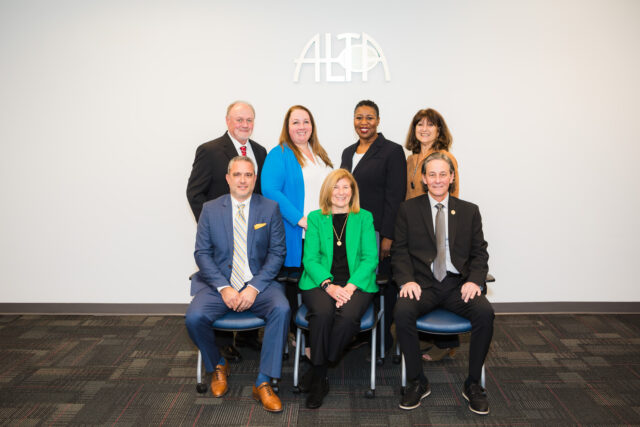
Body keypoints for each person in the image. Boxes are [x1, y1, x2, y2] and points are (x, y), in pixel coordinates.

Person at [185, 156, 290, 413]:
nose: (243, 180)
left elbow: (278, 253)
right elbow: (202, 253)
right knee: (194, 317)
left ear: (255, 179)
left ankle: (264, 380)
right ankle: (217, 365)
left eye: (248, 175)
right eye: (238, 174)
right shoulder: (210, 209)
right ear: (228, 178)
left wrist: (254, 287)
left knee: (282, 309)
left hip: (259, 285)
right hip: (219, 285)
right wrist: (224, 287)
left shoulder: (269, 208)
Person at [392, 152, 493, 415]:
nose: (437, 180)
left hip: (457, 285)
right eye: (432, 174)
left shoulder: (470, 211)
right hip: (422, 284)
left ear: (452, 177)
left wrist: (475, 281)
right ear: (424, 179)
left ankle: (473, 384)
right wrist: (406, 280)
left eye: (443, 174)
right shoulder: (408, 210)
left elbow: (480, 253)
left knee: (485, 313)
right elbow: (399, 252)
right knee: (402, 312)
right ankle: (416, 380)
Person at [186, 101, 267, 361]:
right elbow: (194, 192)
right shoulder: (209, 150)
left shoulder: (260, 151)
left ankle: (248, 336)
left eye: (249, 120)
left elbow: (261, 196)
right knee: (223, 284)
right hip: (222, 242)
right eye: (239, 119)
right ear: (227, 121)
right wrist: (215, 228)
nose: (245, 125)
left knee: (250, 279)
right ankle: (222, 346)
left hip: (252, 238)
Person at [297, 169, 378, 409]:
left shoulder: (364, 217)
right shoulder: (315, 217)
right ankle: (321, 377)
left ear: (353, 191)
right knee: (322, 314)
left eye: (346, 187)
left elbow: (370, 258)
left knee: (348, 317)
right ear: (327, 191)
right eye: (336, 187)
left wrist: (350, 287)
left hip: (357, 283)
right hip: (319, 282)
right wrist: (329, 286)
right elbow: (310, 259)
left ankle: (319, 365)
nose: (341, 192)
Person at [340, 100, 406, 354]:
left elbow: (395, 195)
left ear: (378, 120)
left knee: (383, 284)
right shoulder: (348, 152)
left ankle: (383, 338)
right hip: (351, 232)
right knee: (358, 280)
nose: (363, 122)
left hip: (379, 231)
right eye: (359, 117)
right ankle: (360, 332)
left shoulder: (391, 151)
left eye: (369, 117)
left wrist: (388, 236)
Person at [261, 105, 333, 317]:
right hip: (297, 232)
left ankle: (314, 336)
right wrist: (299, 219)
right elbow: (270, 190)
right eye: (296, 122)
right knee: (298, 285)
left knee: (319, 283)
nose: (302, 127)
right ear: (287, 127)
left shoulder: (319, 154)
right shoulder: (279, 153)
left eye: (306, 121)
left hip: (322, 232)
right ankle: (297, 337)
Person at [404, 108, 460, 362]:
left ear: (439, 130)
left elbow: (453, 198)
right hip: (414, 228)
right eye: (419, 124)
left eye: (430, 125)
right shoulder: (411, 160)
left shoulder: (446, 158)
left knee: (441, 280)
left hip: (437, 228)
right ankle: (424, 335)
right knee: (421, 283)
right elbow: (407, 196)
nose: (424, 129)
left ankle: (445, 342)